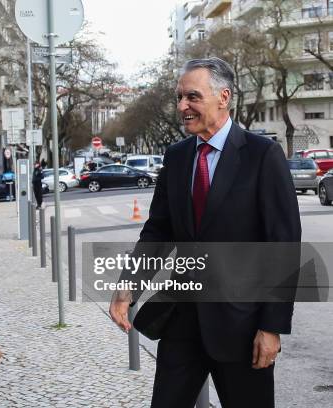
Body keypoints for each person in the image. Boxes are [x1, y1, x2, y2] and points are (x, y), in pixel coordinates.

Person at [109, 58, 301, 408]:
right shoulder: (178, 156)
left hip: (243, 327)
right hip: (181, 322)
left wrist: (272, 327)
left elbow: (283, 246)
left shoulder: (262, 155)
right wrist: (128, 287)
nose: (182, 106)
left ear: (223, 97)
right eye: (180, 97)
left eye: (192, 97)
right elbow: (158, 232)